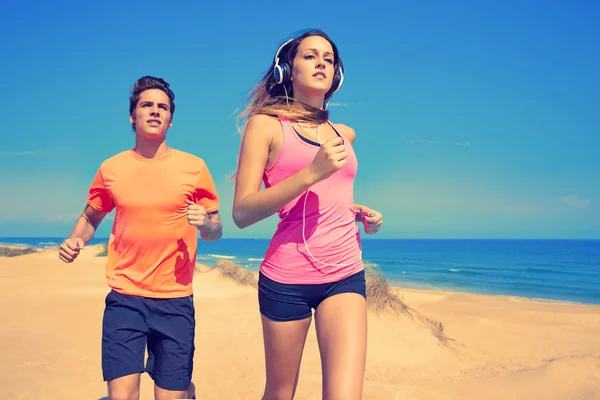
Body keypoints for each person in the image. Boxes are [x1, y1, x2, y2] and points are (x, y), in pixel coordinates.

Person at [232, 30, 383, 399]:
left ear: (337, 75)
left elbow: (333, 190)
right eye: (310, 56)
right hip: (286, 279)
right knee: (281, 393)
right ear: (287, 69)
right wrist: (310, 174)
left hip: (344, 272)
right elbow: (242, 211)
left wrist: (356, 210)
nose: (321, 63)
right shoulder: (265, 125)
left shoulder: (344, 133)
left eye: (328, 59)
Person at [58, 75, 222, 400]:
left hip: (174, 300)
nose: (155, 111)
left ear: (171, 120)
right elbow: (91, 217)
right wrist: (75, 239)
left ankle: (185, 391)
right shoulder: (111, 168)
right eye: (147, 105)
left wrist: (205, 223)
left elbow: (215, 230)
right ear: (132, 116)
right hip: (125, 296)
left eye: (162, 107)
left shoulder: (194, 167)